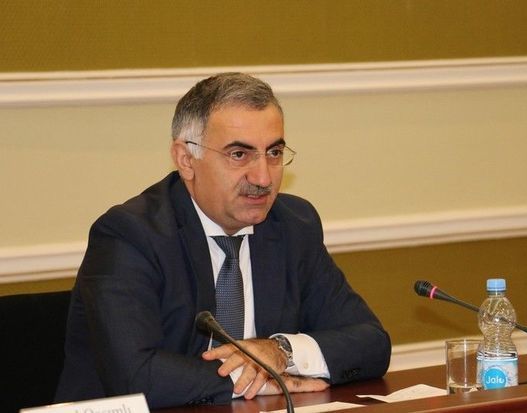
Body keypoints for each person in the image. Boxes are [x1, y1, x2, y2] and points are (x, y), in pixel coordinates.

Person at [55, 72, 391, 409]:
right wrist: (254, 378)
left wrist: (280, 351)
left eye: (274, 152)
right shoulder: (130, 235)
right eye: (239, 155)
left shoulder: (293, 225)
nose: (263, 177)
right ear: (186, 159)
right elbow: (137, 376)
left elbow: (372, 342)